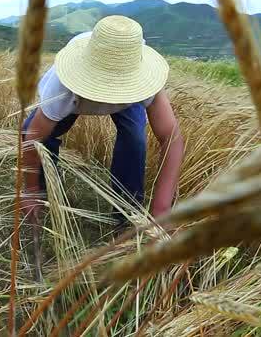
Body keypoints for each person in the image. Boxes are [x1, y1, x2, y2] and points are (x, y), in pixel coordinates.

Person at [18, 15, 184, 225]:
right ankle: (44, 193)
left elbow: (171, 138)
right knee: (36, 133)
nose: (109, 94)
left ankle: (127, 214)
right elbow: (33, 140)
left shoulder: (143, 83)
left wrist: (161, 209)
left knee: (135, 141)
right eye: (105, 85)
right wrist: (30, 189)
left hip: (129, 92)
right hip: (76, 94)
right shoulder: (64, 88)